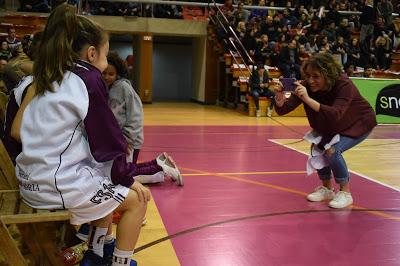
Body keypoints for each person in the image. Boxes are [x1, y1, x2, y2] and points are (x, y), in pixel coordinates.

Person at [12, 4, 176, 266]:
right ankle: (119, 262)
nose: (106, 60)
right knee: (137, 199)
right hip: (53, 186)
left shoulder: (54, 74)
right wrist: (126, 177)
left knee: (105, 184)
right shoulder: (88, 78)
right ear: (91, 53)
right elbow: (108, 139)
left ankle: (97, 254)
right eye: (105, 52)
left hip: (30, 179)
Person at [274, 53, 377, 209]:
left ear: (328, 75)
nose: (310, 80)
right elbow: (283, 109)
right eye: (308, 76)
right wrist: (279, 99)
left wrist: (308, 99)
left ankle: (345, 192)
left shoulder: (344, 85)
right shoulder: (308, 85)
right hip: (333, 124)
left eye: (316, 76)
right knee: (317, 147)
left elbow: (336, 113)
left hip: (358, 122)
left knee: (332, 150)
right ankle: (327, 189)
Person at [103, 51, 183, 186]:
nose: (106, 77)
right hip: (119, 141)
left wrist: (127, 139)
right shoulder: (109, 88)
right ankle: (159, 162)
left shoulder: (123, 87)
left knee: (122, 176)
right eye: (104, 73)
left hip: (128, 141)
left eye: (111, 74)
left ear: (118, 74)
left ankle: (163, 169)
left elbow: (136, 114)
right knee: (123, 171)